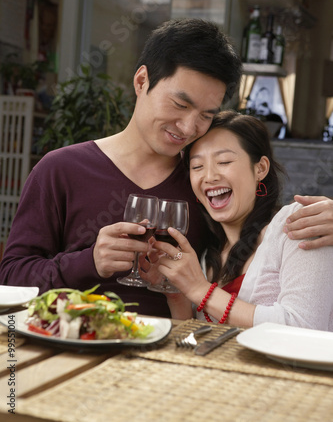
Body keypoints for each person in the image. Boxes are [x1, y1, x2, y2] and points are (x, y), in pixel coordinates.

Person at [1, 18, 332, 318]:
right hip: (69, 353)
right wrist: (88, 262)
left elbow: (260, 237)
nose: (189, 127)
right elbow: (11, 280)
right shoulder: (61, 170)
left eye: (206, 115)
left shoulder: (204, 185)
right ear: (142, 80)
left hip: (168, 370)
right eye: (180, 104)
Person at [142, 110, 333, 330]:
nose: (210, 176)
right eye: (197, 167)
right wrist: (177, 292)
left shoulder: (298, 222)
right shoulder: (207, 255)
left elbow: (302, 327)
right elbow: (196, 337)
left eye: (224, 161)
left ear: (260, 168)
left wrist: (199, 289)